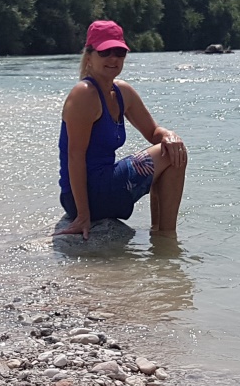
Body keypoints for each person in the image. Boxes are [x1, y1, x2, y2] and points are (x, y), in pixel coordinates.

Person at [56, 20, 188, 239]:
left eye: (119, 52)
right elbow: (75, 156)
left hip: (105, 186)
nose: (113, 58)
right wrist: (83, 215)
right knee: (169, 154)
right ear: (89, 56)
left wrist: (169, 135)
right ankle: (166, 237)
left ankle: (162, 236)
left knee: (174, 148)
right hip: (85, 196)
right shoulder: (84, 94)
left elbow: (153, 132)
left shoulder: (122, 92)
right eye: (105, 52)